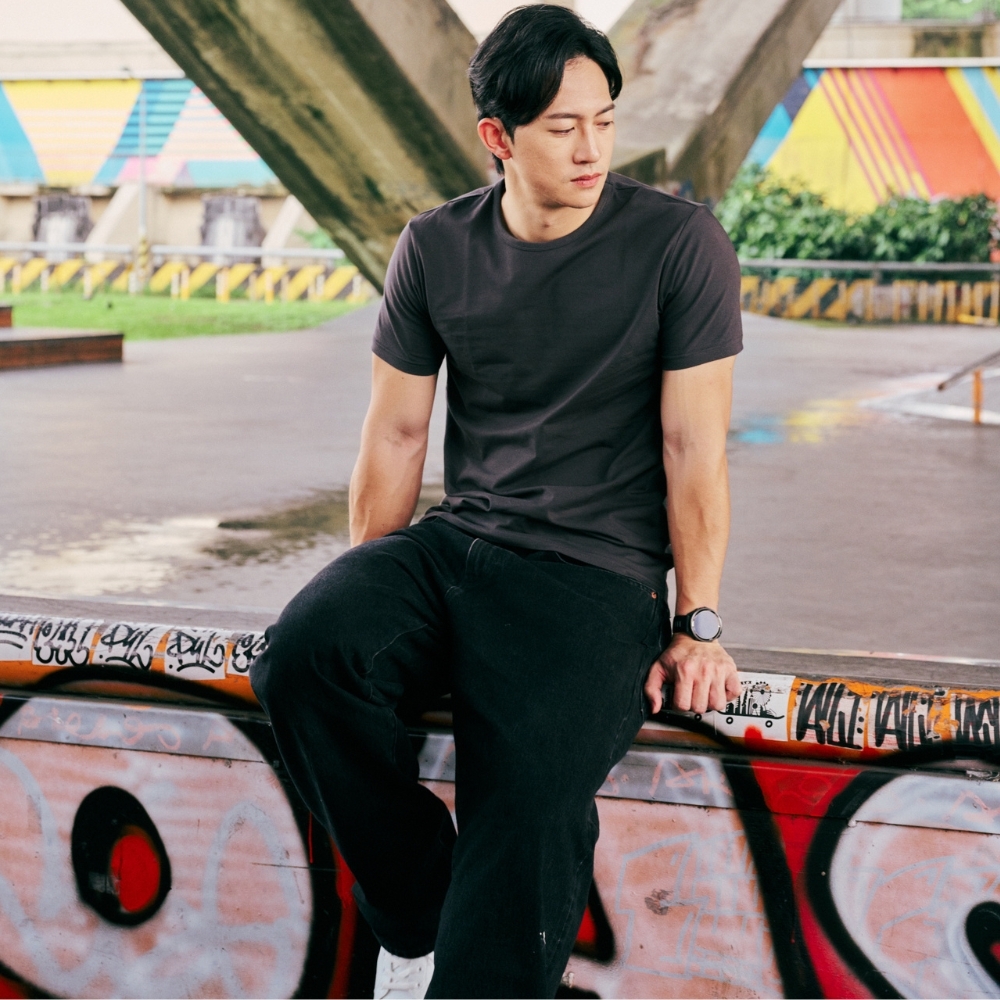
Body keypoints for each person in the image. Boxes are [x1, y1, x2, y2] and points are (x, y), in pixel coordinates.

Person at [250, 5, 742, 997]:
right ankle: (419, 904)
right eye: (563, 127)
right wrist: (365, 582)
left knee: (524, 801)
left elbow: (694, 448)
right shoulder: (435, 247)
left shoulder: (678, 244)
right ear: (498, 136)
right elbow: (396, 435)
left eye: (604, 121)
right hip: (458, 545)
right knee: (303, 660)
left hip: (594, 577)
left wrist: (697, 623)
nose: (591, 148)